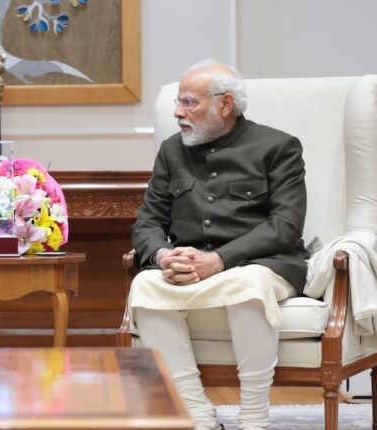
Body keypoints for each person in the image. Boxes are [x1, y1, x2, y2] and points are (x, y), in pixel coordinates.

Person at [129, 60, 309, 430]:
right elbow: (148, 222)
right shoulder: (171, 151)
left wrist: (219, 260)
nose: (178, 112)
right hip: (191, 267)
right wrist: (163, 256)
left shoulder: (278, 147)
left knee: (249, 284)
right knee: (144, 284)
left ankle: (254, 418)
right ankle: (196, 414)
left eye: (189, 102)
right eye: (178, 102)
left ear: (225, 104)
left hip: (262, 264)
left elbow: (286, 226)